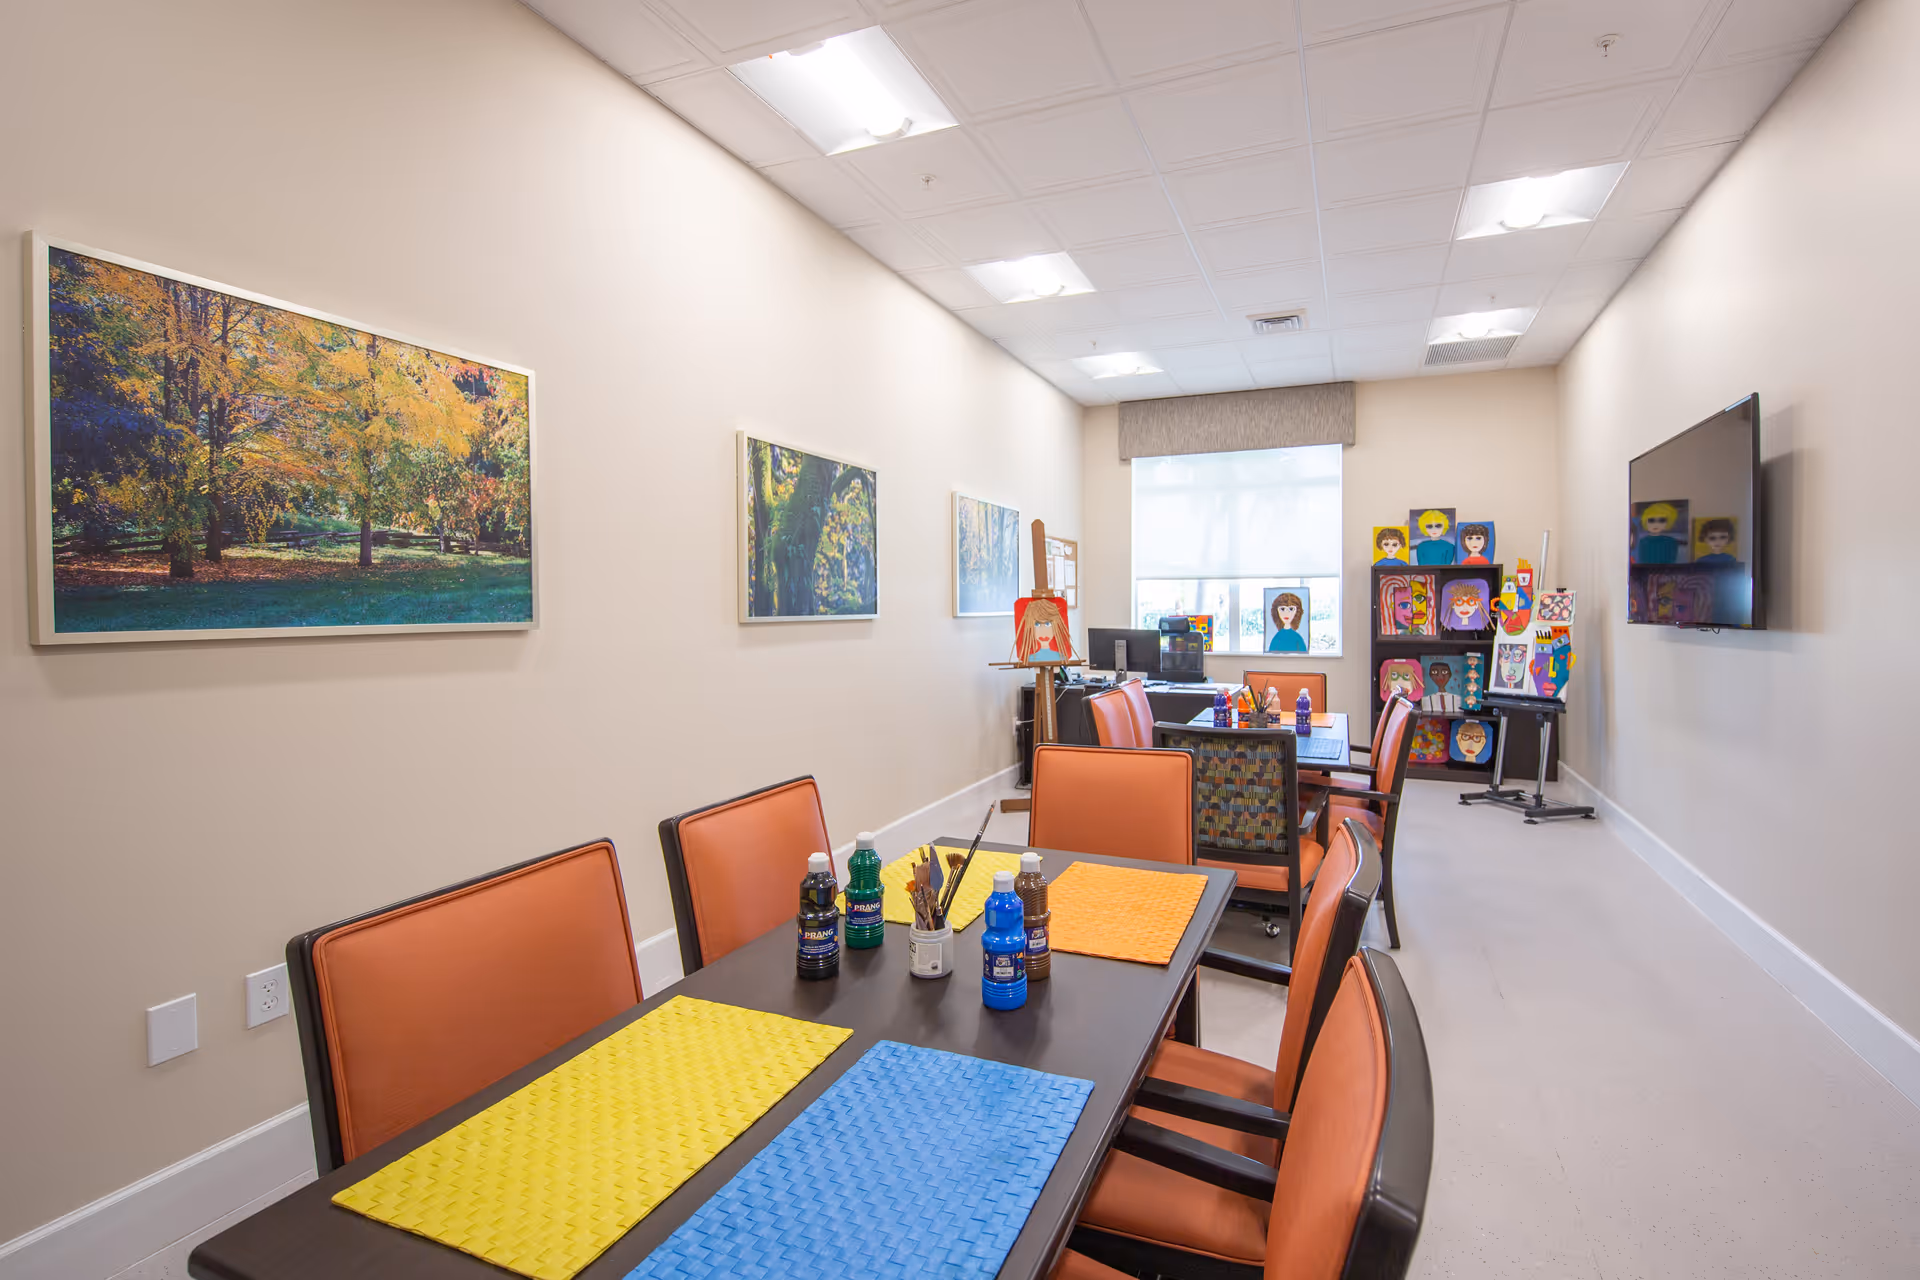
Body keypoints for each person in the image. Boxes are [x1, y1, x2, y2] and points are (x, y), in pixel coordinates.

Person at [1014, 597, 1070, 662]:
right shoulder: (1030, 659)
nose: (1043, 632)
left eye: (1048, 624)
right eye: (1037, 624)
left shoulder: (1061, 657)